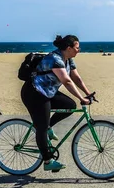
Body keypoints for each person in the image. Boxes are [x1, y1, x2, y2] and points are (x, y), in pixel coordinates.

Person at [21, 34, 94, 172]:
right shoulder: (55, 59)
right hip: (34, 93)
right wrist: (81, 98)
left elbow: (76, 78)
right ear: (69, 48)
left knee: (70, 106)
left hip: (48, 92)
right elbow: (66, 81)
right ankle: (48, 161)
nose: (79, 50)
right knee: (41, 126)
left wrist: (87, 93)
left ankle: (48, 127)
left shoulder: (68, 59)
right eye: (77, 47)